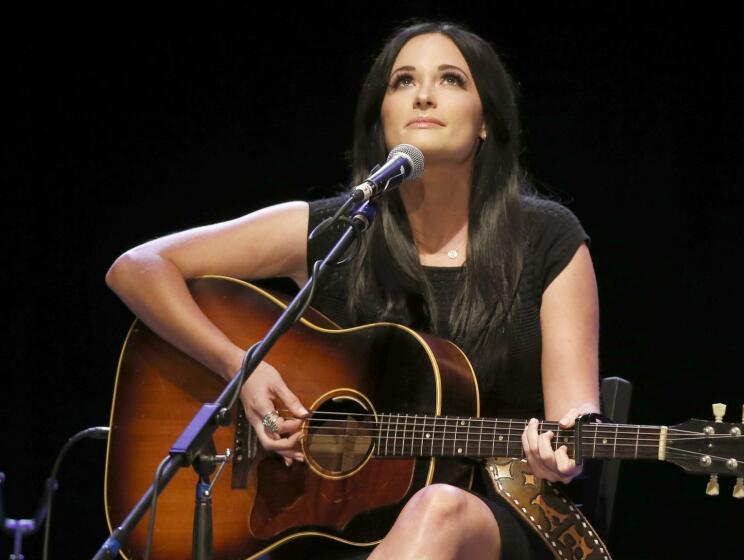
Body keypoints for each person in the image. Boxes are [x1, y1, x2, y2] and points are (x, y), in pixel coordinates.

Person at [106, 21, 600, 560]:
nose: (424, 94)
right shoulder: (336, 231)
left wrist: (567, 447)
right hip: (335, 526)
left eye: (452, 80)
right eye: (403, 81)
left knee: (437, 509)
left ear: (486, 121)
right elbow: (138, 267)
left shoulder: (547, 238)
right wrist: (239, 367)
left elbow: (575, 410)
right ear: (382, 118)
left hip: (499, 514)